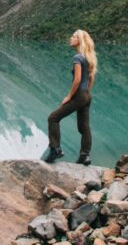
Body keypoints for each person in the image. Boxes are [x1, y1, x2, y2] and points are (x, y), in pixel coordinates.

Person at [44, 29, 97, 165]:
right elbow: (91, 78)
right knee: (84, 127)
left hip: (79, 94)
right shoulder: (88, 57)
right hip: (86, 95)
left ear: (79, 40)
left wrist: (69, 96)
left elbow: (77, 79)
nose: (70, 38)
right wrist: (87, 93)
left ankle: (55, 149)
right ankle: (85, 155)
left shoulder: (77, 58)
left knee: (53, 118)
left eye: (73, 36)